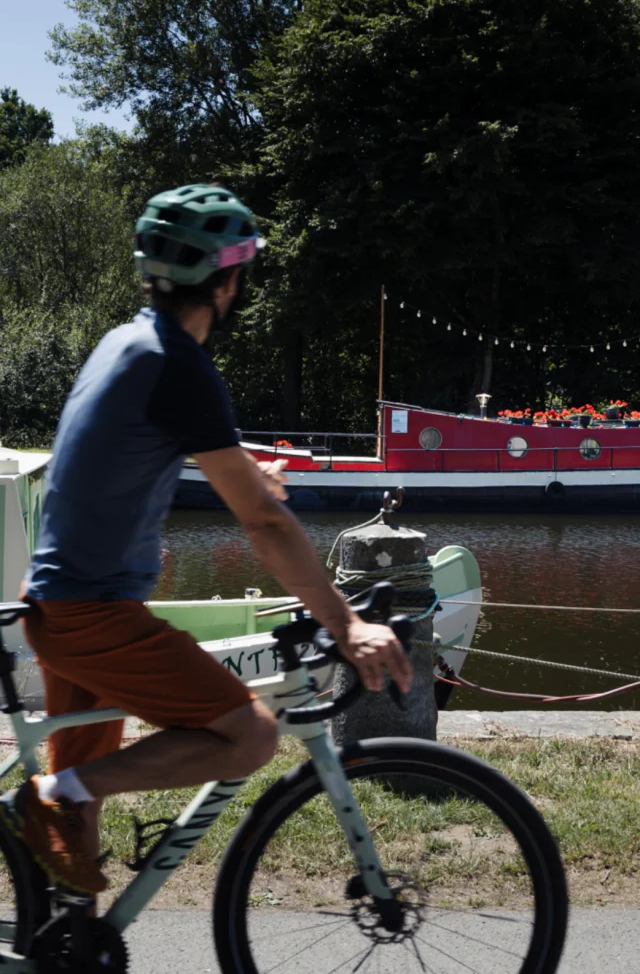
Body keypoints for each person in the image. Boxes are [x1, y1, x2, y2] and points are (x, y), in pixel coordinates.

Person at [0, 183, 412, 896]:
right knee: (249, 737)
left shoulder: (128, 343)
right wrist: (345, 623)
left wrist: (243, 462)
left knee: (76, 852)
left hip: (61, 605)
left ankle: (61, 925)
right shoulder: (180, 366)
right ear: (227, 282)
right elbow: (265, 523)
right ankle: (49, 796)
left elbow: (137, 438)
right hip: (94, 616)